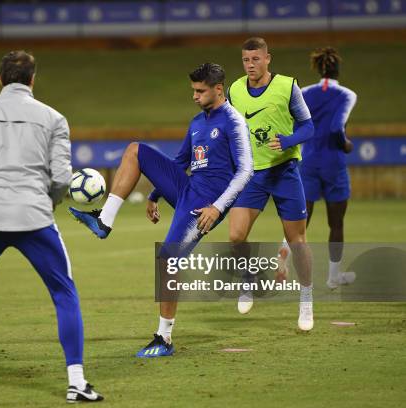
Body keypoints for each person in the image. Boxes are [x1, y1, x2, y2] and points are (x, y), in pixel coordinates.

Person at [0, 51, 103, 403]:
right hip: (34, 218)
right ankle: (76, 382)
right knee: (64, 293)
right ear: (32, 79)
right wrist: (50, 198)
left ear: (0, 79)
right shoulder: (54, 118)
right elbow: (60, 177)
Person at [69, 63, 253, 357]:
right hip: (186, 189)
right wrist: (154, 195)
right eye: (193, 90)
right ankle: (104, 220)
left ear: (218, 89)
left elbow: (246, 171)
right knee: (135, 150)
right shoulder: (197, 122)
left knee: (168, 259)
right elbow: (181, 161)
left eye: (200, 91)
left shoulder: (233, 121)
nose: (194, 96)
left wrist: (218, 208)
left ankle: (164, 338)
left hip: (205, 204)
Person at [227, 37, 316, 331]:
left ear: (268, 59)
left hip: (284, 171)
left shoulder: (288, 86)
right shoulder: (235, 90)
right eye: (245, 60)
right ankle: (248, 279)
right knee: (236, 236)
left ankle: (306, 298)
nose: (250, 65)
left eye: (255, 59)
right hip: (252, 174)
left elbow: (309, 126)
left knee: (297, 242)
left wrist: (289, 141)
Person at [278, 47, 357, 289]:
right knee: (336, 223)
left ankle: (282, 258)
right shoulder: (346, 94)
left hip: (308, 161)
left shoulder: (304, 93)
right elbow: (336, 127)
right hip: (333, 163)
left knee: (299, 220)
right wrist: (345, 145)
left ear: (319, 68)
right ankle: (334, 277)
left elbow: (295, 122)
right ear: (337, 70)